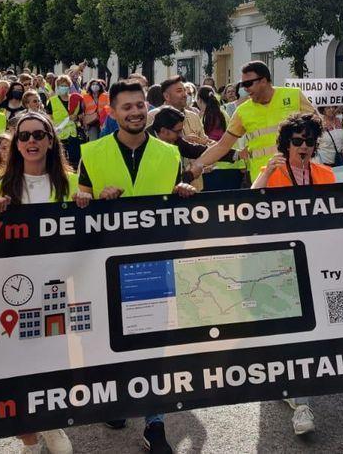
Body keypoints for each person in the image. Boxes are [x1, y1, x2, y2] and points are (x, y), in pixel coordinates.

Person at [78, 81, 197, 454]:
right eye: (125, 107)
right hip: (105, 263)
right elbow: (79, 202)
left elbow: (176, 205)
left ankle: (154, 421)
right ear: (112, 113)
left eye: (139, 105)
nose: (133, 112)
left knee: (153, 342)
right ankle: (116, 400)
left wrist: (183, 192)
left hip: (153, 264)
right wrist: (93, 197)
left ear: (147, 108)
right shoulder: (92, 153)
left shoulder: (168, 153)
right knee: (110, 338)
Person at [249, 113, 343, 436]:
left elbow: (341, 207)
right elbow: (248, 206)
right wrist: (265, 175)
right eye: (296, 141)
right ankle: (297, 398)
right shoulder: (271, 171)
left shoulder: (325, 173)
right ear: (286, 144)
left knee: (310, 333)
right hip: (279, 266)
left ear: (316, 145)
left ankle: (297, 395)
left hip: (315, 264)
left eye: (309, 141)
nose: (303, 147)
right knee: (289, 331)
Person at [0, 112, 79, 454]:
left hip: (54, 288)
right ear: (15, 143)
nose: (31, 141)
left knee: (54, 362)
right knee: (16, 365)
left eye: (39, 134)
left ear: (51, 140)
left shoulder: (71, 182)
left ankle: (54, 426)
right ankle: (29, 438)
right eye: (24, 136)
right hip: (11, 293)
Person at [195, 61, 315, 184]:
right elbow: (222, 146)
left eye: (248, 83)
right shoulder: (243, 110)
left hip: (297, 176)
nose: (245, 89)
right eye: (243, 84)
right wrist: (198, 164)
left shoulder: (293, 95)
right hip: (262, 179)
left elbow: (317, 127)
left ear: (263, 81)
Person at [149, 76, 208, 145]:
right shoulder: (153, 115)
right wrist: (182, 142)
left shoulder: (193, 116)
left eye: (185, 91)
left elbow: (204, 140)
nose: (185, 95)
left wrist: (201, 142)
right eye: (179, 91)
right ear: (166, 96)